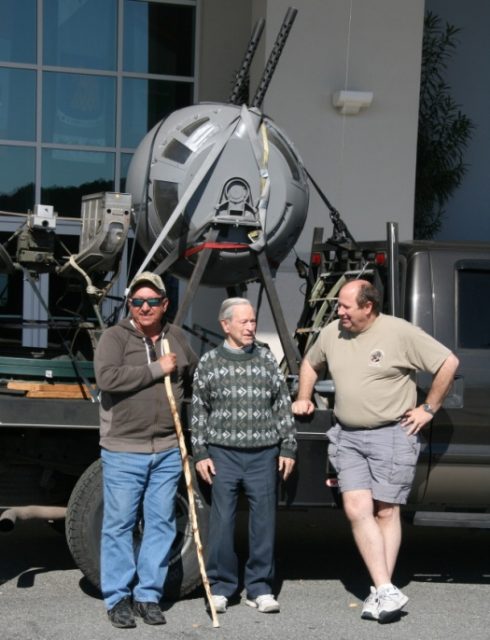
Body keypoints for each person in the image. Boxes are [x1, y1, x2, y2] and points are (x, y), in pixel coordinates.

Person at [292, 279, 459, 623]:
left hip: (392, 435)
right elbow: (310, 363)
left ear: (368, 306)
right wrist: (304, 396)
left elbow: (448, 363)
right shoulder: (333, 332)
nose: (339, 312)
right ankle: (385, 588)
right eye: (339, 305)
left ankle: (380, 589)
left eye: (345, 306)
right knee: (356, 507)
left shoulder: (399, 333)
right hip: (347, 436)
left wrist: (428, 408)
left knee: (386, 511)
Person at [94, 271, 198, 628]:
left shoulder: (178, 338)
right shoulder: (115, 337)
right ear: (130, 305)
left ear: (164, 304)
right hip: (125, 448)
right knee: (119, 525)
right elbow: (107, 378)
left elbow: (193, 376)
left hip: (168, 448)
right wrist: (156, 369)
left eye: (152, 301)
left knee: (161, 524)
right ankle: (118, 597)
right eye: (137, 301)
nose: (144, 307)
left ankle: (148, 595)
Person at [191, 297, 296, 614]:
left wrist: (288, 446)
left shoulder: (266, 359)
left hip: (263, 454)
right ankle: (221, 587)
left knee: (263, 523)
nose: (251, 327)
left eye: (253, 321)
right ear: (226, 325)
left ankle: (260, 588)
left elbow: (282, 406)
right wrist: (200, 452)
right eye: (245, 322)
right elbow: (198, 410)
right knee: (222, 523)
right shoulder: (208, 363)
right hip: (223, 455)